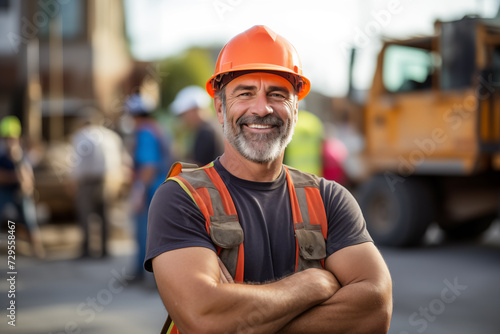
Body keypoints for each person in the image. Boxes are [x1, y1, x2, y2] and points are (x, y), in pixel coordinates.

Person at [146, 25, 392, 334]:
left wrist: (244, 321)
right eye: (245, 93)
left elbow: (375, 311)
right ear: (220, 108)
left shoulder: (330, 199)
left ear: (296, 110)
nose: (262, 108)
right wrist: (312, 284)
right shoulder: (182, 199)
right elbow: (204, 321)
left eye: (277, 94)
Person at [70, 109, 129, 258]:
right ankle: (104, 250)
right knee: (104, 215)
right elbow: (121, 159)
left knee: (86, 216)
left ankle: (86, 250)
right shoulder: (111, 136)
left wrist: (72, 181)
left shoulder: (81, 136)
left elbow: (77, 162)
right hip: (107, 180)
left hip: (87, 181)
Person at [126, 94, 173, 280]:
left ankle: (149, 276)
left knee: (144, 232)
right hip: (160, 186)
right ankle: (146, 274)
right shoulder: (158, 129)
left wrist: (138, 191)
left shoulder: (144, 132)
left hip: (150, 189)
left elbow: (148, 165)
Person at [0, 115, 44, 257]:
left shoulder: (21, 156)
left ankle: (37, 249)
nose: (10, 142)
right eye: (7, 139)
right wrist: (15, 177)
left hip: (20, 193)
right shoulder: (2, 157)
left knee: (29, 220)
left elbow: (27, 179)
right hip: (4, 192)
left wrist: (17, 161)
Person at [171, 85, 224, 166]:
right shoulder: (217, 126)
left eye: (184, 114)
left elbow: (197, 168)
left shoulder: (205, 132)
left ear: (194, 110)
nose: (183, 119)